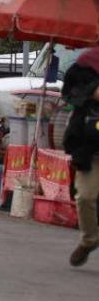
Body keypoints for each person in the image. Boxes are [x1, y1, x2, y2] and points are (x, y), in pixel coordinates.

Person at [61, 47, 99, 267]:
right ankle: (90, 240)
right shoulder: (87, 63)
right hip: (91, 147)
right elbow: (70, 88)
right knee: (84, 196)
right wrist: (92, 90)